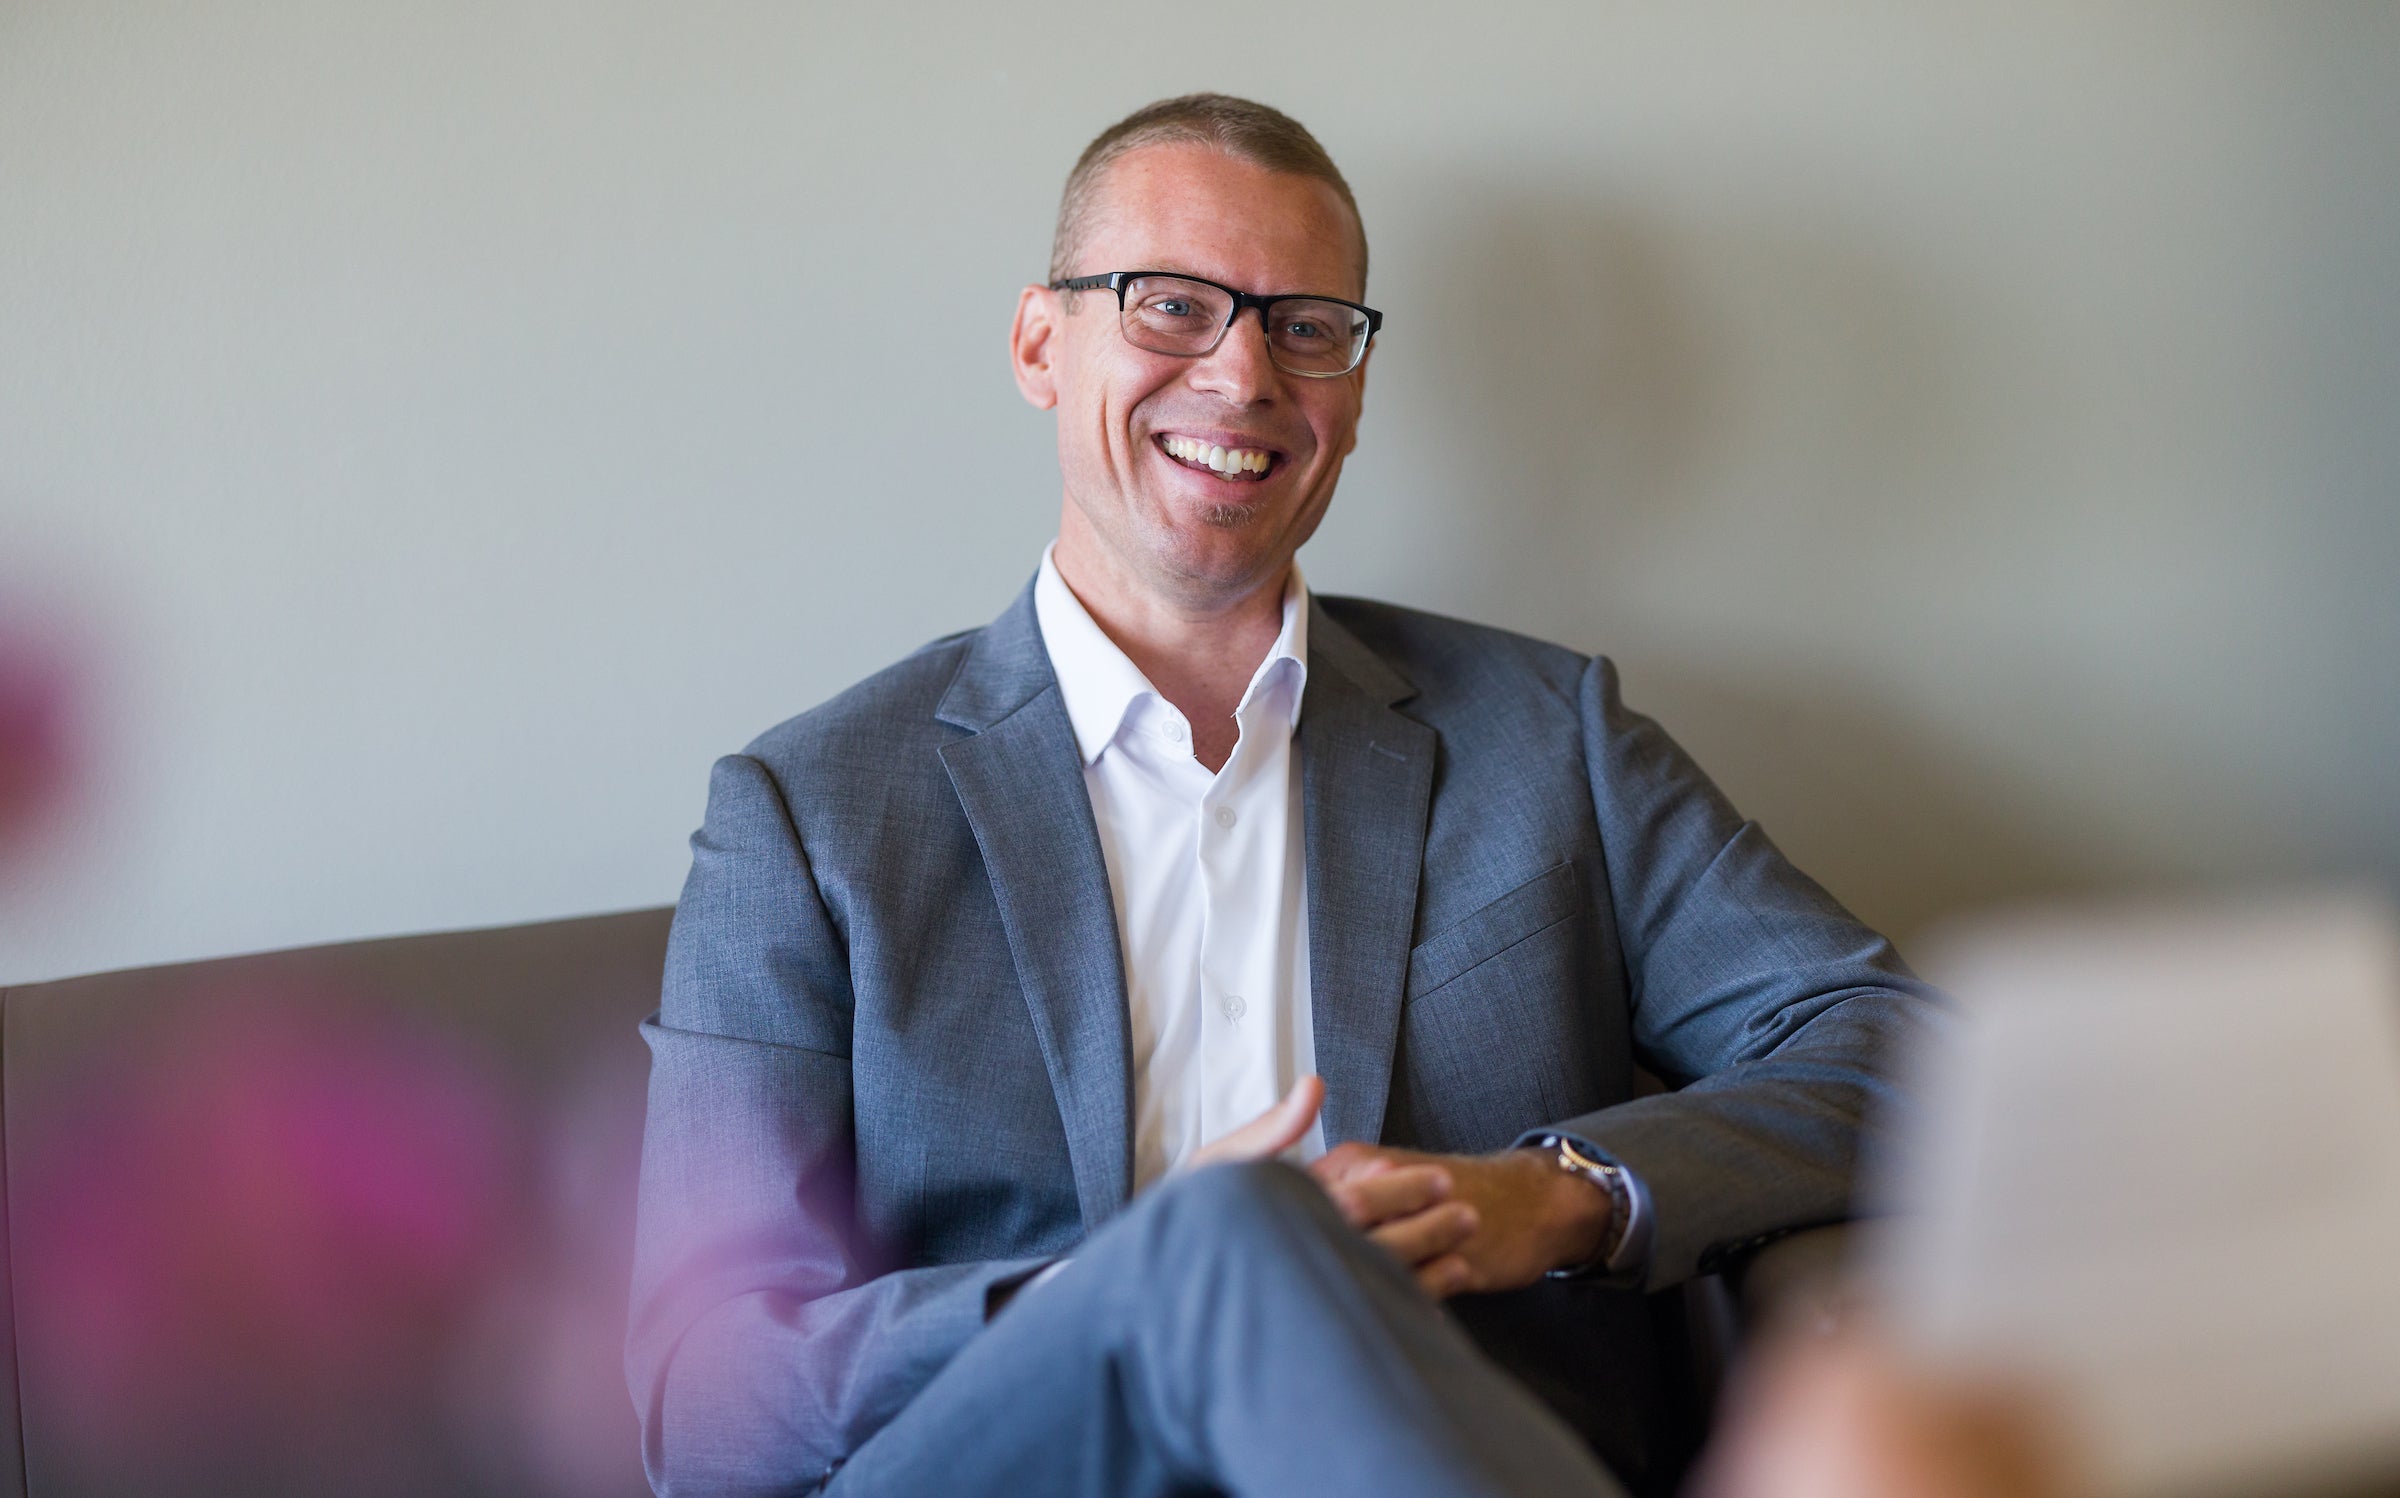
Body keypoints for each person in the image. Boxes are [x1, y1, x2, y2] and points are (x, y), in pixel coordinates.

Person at [626, 93, 1939, 1498]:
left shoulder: (1545, 736)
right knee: (1227, 1237)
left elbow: (1890, 1042)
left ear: (1354, 395)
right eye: (1172, 306)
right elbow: (704, 1397)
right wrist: (1119, 1288)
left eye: (1305, 326)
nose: (1244, 376)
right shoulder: (807, 812)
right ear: (1039, 344)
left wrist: (1556, 1190)